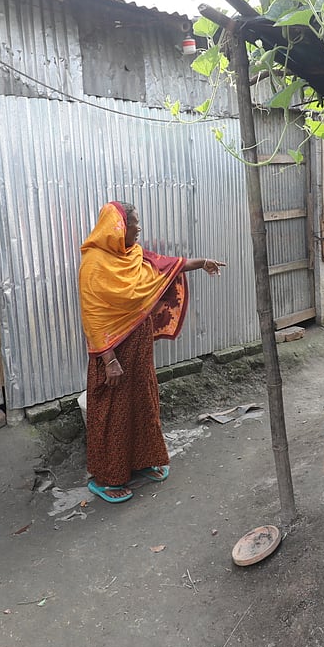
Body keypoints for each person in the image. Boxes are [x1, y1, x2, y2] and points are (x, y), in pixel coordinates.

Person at [78, 200, 225, 503]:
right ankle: (107, 478)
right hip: (113, 353)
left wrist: (202, 262)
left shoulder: (134, 255)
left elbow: (167, 266)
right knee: (114, 412)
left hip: (138, 347)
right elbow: (93, 317)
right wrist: (110, 361)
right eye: (134, 223)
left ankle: (143, 461)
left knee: (143, 401)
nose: (139, 228)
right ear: (118, 228)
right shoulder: (94, 264)